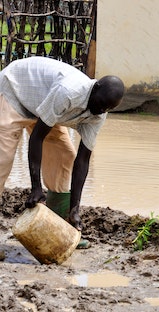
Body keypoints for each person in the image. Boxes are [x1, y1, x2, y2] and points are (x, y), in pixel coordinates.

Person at [0, 56, 124, 235]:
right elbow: (36, 138)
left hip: (43, 105)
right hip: (15, 90)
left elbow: (83, 160)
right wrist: (36, 188)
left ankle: (57, 226)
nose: (100, 111)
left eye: (107, 109)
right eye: (100, 104)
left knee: (64, 155)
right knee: (2, 160)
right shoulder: (69, 92)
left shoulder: (100, 113)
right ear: (95, 87)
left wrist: (75, 209)